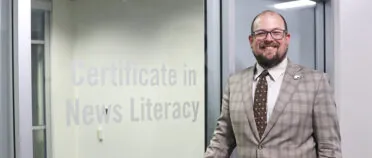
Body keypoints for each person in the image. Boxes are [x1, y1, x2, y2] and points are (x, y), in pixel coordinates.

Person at [204, 10, 342, 158]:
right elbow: (222, 140)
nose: (269, 39)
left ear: (287, 38)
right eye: (261, 33)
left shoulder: (316, 82)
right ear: (251, 40)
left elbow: (329, 148)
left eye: (276, 32)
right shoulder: (235, 83)